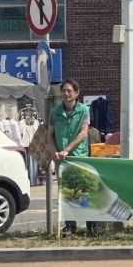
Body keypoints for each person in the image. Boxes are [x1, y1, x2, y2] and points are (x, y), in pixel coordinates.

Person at [48, 79, 98, 236]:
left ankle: (92, 226)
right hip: (61, 159)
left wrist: (67, 149)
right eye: (64, 90)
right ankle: (70, 226)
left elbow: (83, 132)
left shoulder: (84, 110)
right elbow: (50, 134)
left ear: (77, 93)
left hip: (79, 156)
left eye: (69, 91)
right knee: (66, 192)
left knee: (85, 190)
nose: (66, 93)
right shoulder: (55, 112)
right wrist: (53, 150)